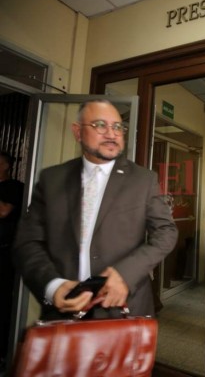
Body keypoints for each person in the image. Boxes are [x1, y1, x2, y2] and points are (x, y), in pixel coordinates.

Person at [12, 99, 178, 321]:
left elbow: (166, 231)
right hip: (63, 315)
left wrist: (125, 274)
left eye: (118, 127)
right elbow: (28, 242)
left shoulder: (143, 180)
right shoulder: (52, 180)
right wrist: (52, 285)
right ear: (77, 131)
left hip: (125, 310)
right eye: (101, 125)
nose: (112, 134)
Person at [0, 152, 24, 370]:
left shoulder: (14, 187)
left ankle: (4, 355)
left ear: (6, 165)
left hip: (5, 254)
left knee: (4, 302)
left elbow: (3, 211)